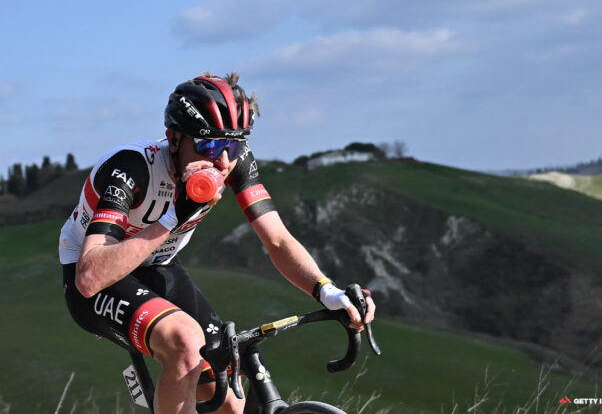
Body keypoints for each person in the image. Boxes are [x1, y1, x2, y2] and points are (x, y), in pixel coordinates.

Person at [59, 72, 376, 414]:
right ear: (174, 138)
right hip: (100, 279)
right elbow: (90, 277)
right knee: (185, 342)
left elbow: (278, 240)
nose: (223, 162)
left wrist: (328, 292)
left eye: (234, 145)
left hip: (159, 267)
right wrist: (173, 217)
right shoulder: (131, 168)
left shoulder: (232, 161)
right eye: (209, 146)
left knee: (230, 403)